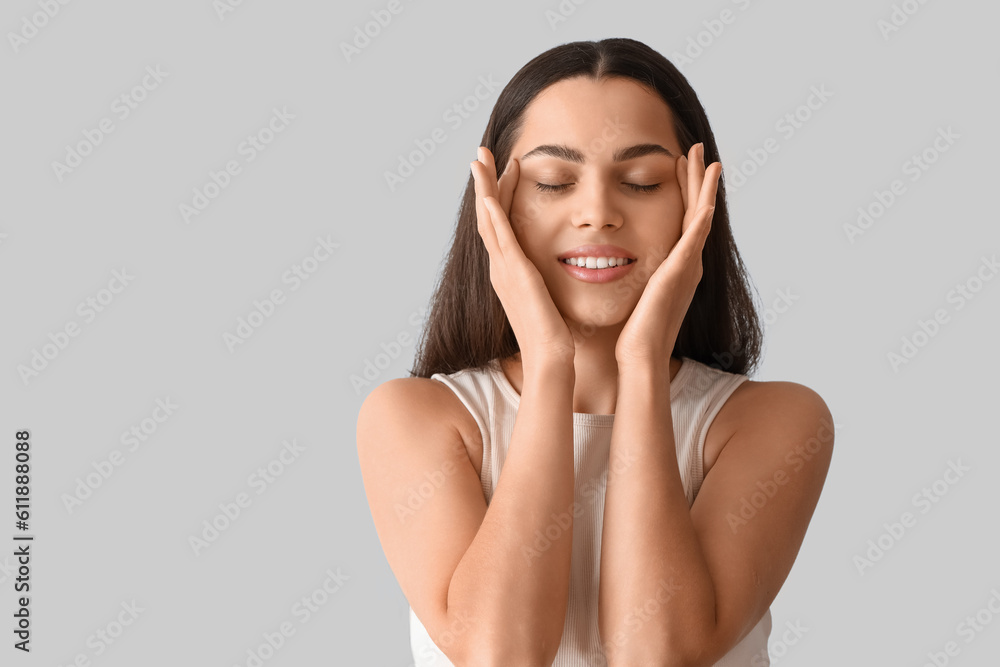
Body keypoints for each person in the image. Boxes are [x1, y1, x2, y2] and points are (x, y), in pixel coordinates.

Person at [357, 37, 834, 667]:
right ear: (495, 205)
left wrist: (642, 364)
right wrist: (551, 365)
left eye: (641, 182)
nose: (598, 213)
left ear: (698, 203)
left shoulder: (774, 422)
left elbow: (658, 654)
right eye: (555, 182)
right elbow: (499, 656)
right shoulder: (414, 418)